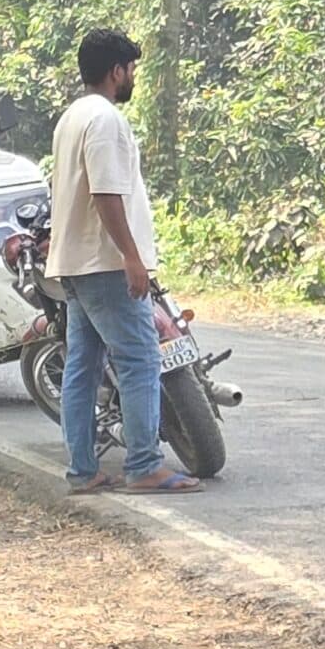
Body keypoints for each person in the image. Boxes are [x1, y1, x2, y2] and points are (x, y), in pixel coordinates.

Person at [47, 29, 200, 494]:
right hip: (105, 264)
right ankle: (144, 465)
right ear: (116, 72)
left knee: (83, 367)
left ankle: (83, 469)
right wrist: (132, 258)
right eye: (131, 69)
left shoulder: (72, 117)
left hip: (75, 263)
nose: (132, 77)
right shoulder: (106, 120)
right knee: (139, 359)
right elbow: (106, 193)